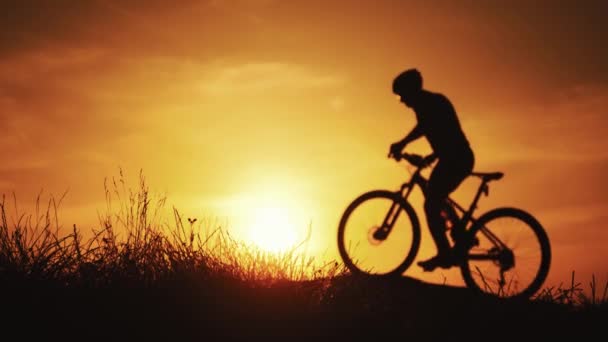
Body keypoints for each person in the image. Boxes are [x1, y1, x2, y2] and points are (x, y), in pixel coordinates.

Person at [388, 68, 475, 272]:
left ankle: (446, 252)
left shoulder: (429, 104)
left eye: (401, 95)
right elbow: (445, 134)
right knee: (436, 196)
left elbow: (426, 127)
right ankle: (460, 237)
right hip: (453, 157)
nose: (401, 101)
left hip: (457, 158)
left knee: (431, 203)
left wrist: (402, 144)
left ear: (410, 90)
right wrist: (430, 157)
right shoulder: (430, 103)